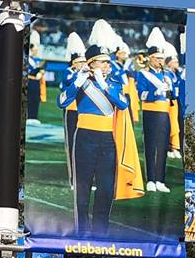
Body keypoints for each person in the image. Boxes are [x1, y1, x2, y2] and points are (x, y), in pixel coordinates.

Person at [58, 44, 130, 235]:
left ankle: (100, 232)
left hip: (107, 139)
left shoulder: (113, 83)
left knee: (106, 189)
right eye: (103, 62)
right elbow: (62, 101)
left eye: (108, 61)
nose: (108, 65)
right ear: (91, 63)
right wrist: (78, 81)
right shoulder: (81, 80)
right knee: (83, 189)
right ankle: (81, 231)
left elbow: (123, 104)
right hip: (84, 137)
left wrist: (104, 85)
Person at [135, 29, 174, 193]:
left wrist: (169, 88)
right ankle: (151, 179)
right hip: (150, 111)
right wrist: (156, 92)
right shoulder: (143, 74)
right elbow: (141, 94)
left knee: (163, 145)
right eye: (157, 58)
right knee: (151, 145)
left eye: (161, 58)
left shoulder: (168, 75)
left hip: (164, 113)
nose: (160, 61)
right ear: (150, 58)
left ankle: (161, 180)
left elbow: (173, 97)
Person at [57, 32, 86, 188]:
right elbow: (69, 83)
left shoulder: (83, 73)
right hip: (71, 111)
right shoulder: (68, 73)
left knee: (83, 145)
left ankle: (84, 178)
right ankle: (73, 179)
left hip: (83, 112)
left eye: (83, 61)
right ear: (73, 63)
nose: (82, 64)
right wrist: (81, 74)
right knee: (72, 145)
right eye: (79, 62)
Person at [27, 29, 45, 123]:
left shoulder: (37, 59)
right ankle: (29, 116)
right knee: (29, 99)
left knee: (36, 99)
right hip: (29, 81)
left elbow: (42, 68)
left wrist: (41, 72)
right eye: (35, 47)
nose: (36, 49)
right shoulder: (27, 59)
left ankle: (35, 116)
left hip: (36, 82)